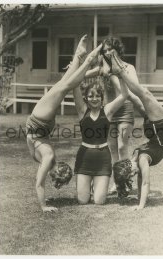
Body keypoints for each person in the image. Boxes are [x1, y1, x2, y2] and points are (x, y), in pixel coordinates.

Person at [26, 35, 102, 212]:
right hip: (40, 121)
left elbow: (39, 182)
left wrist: (45, 203)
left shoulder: (48, 158)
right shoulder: (48, 158)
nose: (51, 179)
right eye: (55, 179)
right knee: (64, 85)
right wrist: (44, 206)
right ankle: (86, 59)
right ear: (54, 173)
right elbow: (39, 184)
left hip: (41, 123)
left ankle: (81, 58)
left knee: (64, 85)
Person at [109, 48, 163, 210]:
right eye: (130, 170)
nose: (132, 168)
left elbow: (140, 180)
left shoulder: (136, 157)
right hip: (162, 131)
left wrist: (139, 200)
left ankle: (112, 74)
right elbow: (145, 182)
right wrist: (141, 205)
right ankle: (119, 71)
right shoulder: (142, 160)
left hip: (152, 132)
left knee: (133, 97)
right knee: (144, 94)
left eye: (129, 168)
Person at [84, 37, 135, 195]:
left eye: (109, 49)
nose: (107, 53)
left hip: (125, 108)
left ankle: (126, 182)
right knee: (112, 149)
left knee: (122, 146)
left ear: (117, 50)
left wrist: (112, 72)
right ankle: (117, 183)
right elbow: (83, 74)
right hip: (110, 111)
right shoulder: (102, 69)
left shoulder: (128, 67)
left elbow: (126, 92)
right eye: (104, 50)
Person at [72, 67, 129, 205]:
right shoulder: (82, 110)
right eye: (91, 96)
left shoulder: (107, 111)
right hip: (84, 159)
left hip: (102, 159)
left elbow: (124, 95)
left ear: (102, 97)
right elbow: (74, 85)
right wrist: (75, 69)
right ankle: (88, 185)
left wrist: (120, 75)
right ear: (85, 98)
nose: (94, 99)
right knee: (82, 200)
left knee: (99, 201)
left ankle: (96, 185)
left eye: (97, 96)